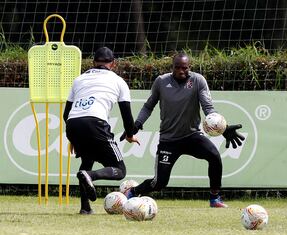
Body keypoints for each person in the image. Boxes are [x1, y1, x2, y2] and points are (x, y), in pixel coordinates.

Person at [120, 53, 244, 208]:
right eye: (177, 67)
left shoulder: (198, 80)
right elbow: (148, 106)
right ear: (172, 67)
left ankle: (215, 198)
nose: (180, 71)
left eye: (184, 68)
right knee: (159, 183)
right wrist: (136, 125)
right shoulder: (161, 82)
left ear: (189, 67)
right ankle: (132, 192)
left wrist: (223, 129)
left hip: (192, 136)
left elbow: (208, 108)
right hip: (168, 140)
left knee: (214, 156)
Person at [63, 47, 139, 214]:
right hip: (95, 123)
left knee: (87, 161)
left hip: (72, 125)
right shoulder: (119, 81)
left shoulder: (79, 79)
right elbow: (127, 116)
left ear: (93, 62)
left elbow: (66, 114)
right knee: (119, 170)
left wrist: (74, 138)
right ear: (113, 64)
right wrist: (130, 134)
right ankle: (91, 176)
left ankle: (85, 208)